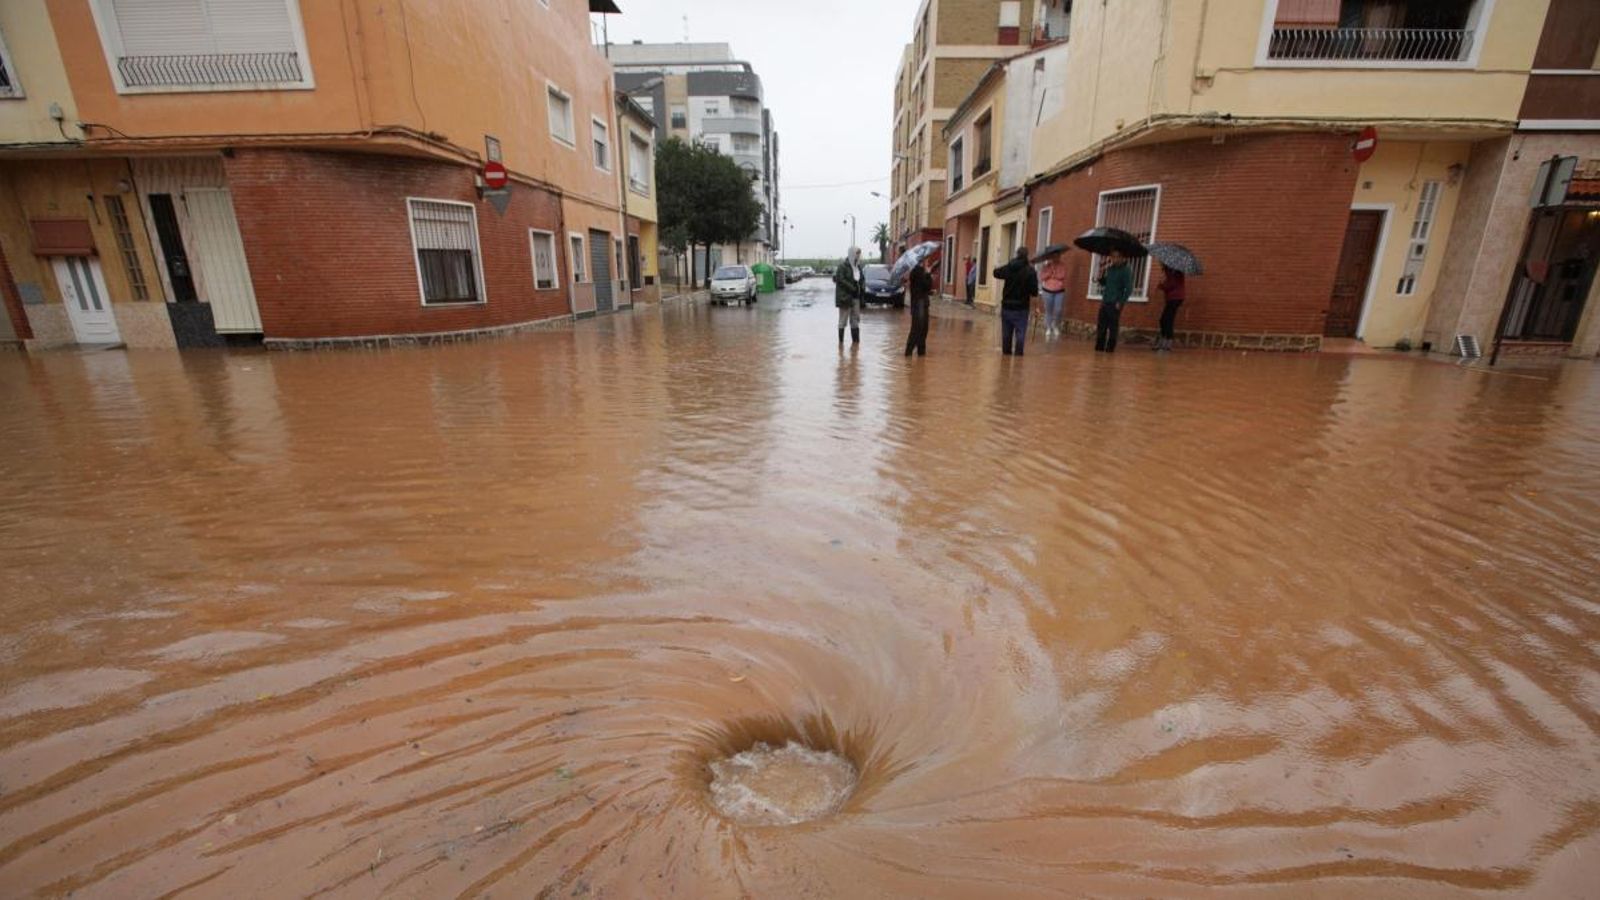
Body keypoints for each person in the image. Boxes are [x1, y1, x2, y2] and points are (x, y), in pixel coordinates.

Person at [993, 246, 1039, 356]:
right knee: (1020, 332)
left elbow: (996, 273)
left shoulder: (1009, 267)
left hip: (1007, 306)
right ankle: (1018, 357)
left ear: (1017, 254)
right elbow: (1034, 292)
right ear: (1027, 256)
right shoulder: (1030, 271)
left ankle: (1006, 356)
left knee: (1006, 333)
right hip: (1021, 308)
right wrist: (1036, 307)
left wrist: (996, 266)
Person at [1095, 249, 1133, 353]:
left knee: (1113, 327)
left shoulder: (1126, 270)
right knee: (1101, 325)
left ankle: (1110, 349)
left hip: (1115, 302)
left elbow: (1129, 289)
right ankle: (1099, 348)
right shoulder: (1110, 269)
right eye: (1112, 257)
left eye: (1117, 257)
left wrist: (1121, 302)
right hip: (1105, 301)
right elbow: (1106, 283)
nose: (1114, 259)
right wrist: (1100, 277)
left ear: (1122, 257)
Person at [905, 254, 936, 357]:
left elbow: (921, 288)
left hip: (920, 304)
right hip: (920, 304)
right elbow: (926, 285)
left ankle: (920, 354)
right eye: (926, 259)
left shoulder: (917, 270)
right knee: (919, 329)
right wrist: (928, 275)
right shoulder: (919, 271)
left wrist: (927, 275)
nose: (927, 260)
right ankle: (910, 353)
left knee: (922, 329)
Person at [833, 246, 864, 346]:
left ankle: (856, 344)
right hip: (845, 297)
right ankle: (840, 345)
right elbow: (840, 280)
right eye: (857, 253)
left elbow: (862, 278)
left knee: (855, 320)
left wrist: (862, 287)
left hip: (856, 298)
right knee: (843, 321)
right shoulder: (842, 266)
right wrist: (852, 287)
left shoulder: (858, 267)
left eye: (859, 254)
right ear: (852, 254)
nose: (858, 256)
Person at [1037, 249, 1068, 337]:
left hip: (1059, 291)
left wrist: (1054, 275)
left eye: (1057, 256)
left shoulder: (1062, 265)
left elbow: (1062, 276)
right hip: (1047, 290)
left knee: (1058, 309)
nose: (1056, 258)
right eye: (1054, 256)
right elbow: (1042, 277)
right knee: (1048, 310)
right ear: (1051, 257)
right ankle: (1048, 327)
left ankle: (1055, 325)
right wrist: (1050, 273)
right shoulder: (1046, 266)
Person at [1155, 264, 1185, 352]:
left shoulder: (1176, 270)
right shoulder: (1170, 270)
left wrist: (1161, 286)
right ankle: (1164, 340)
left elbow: (1172, 284)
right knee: (1164, 319)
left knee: (1167, 319)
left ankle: (1167, 342)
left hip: (1176, 298)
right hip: (1172, 298)